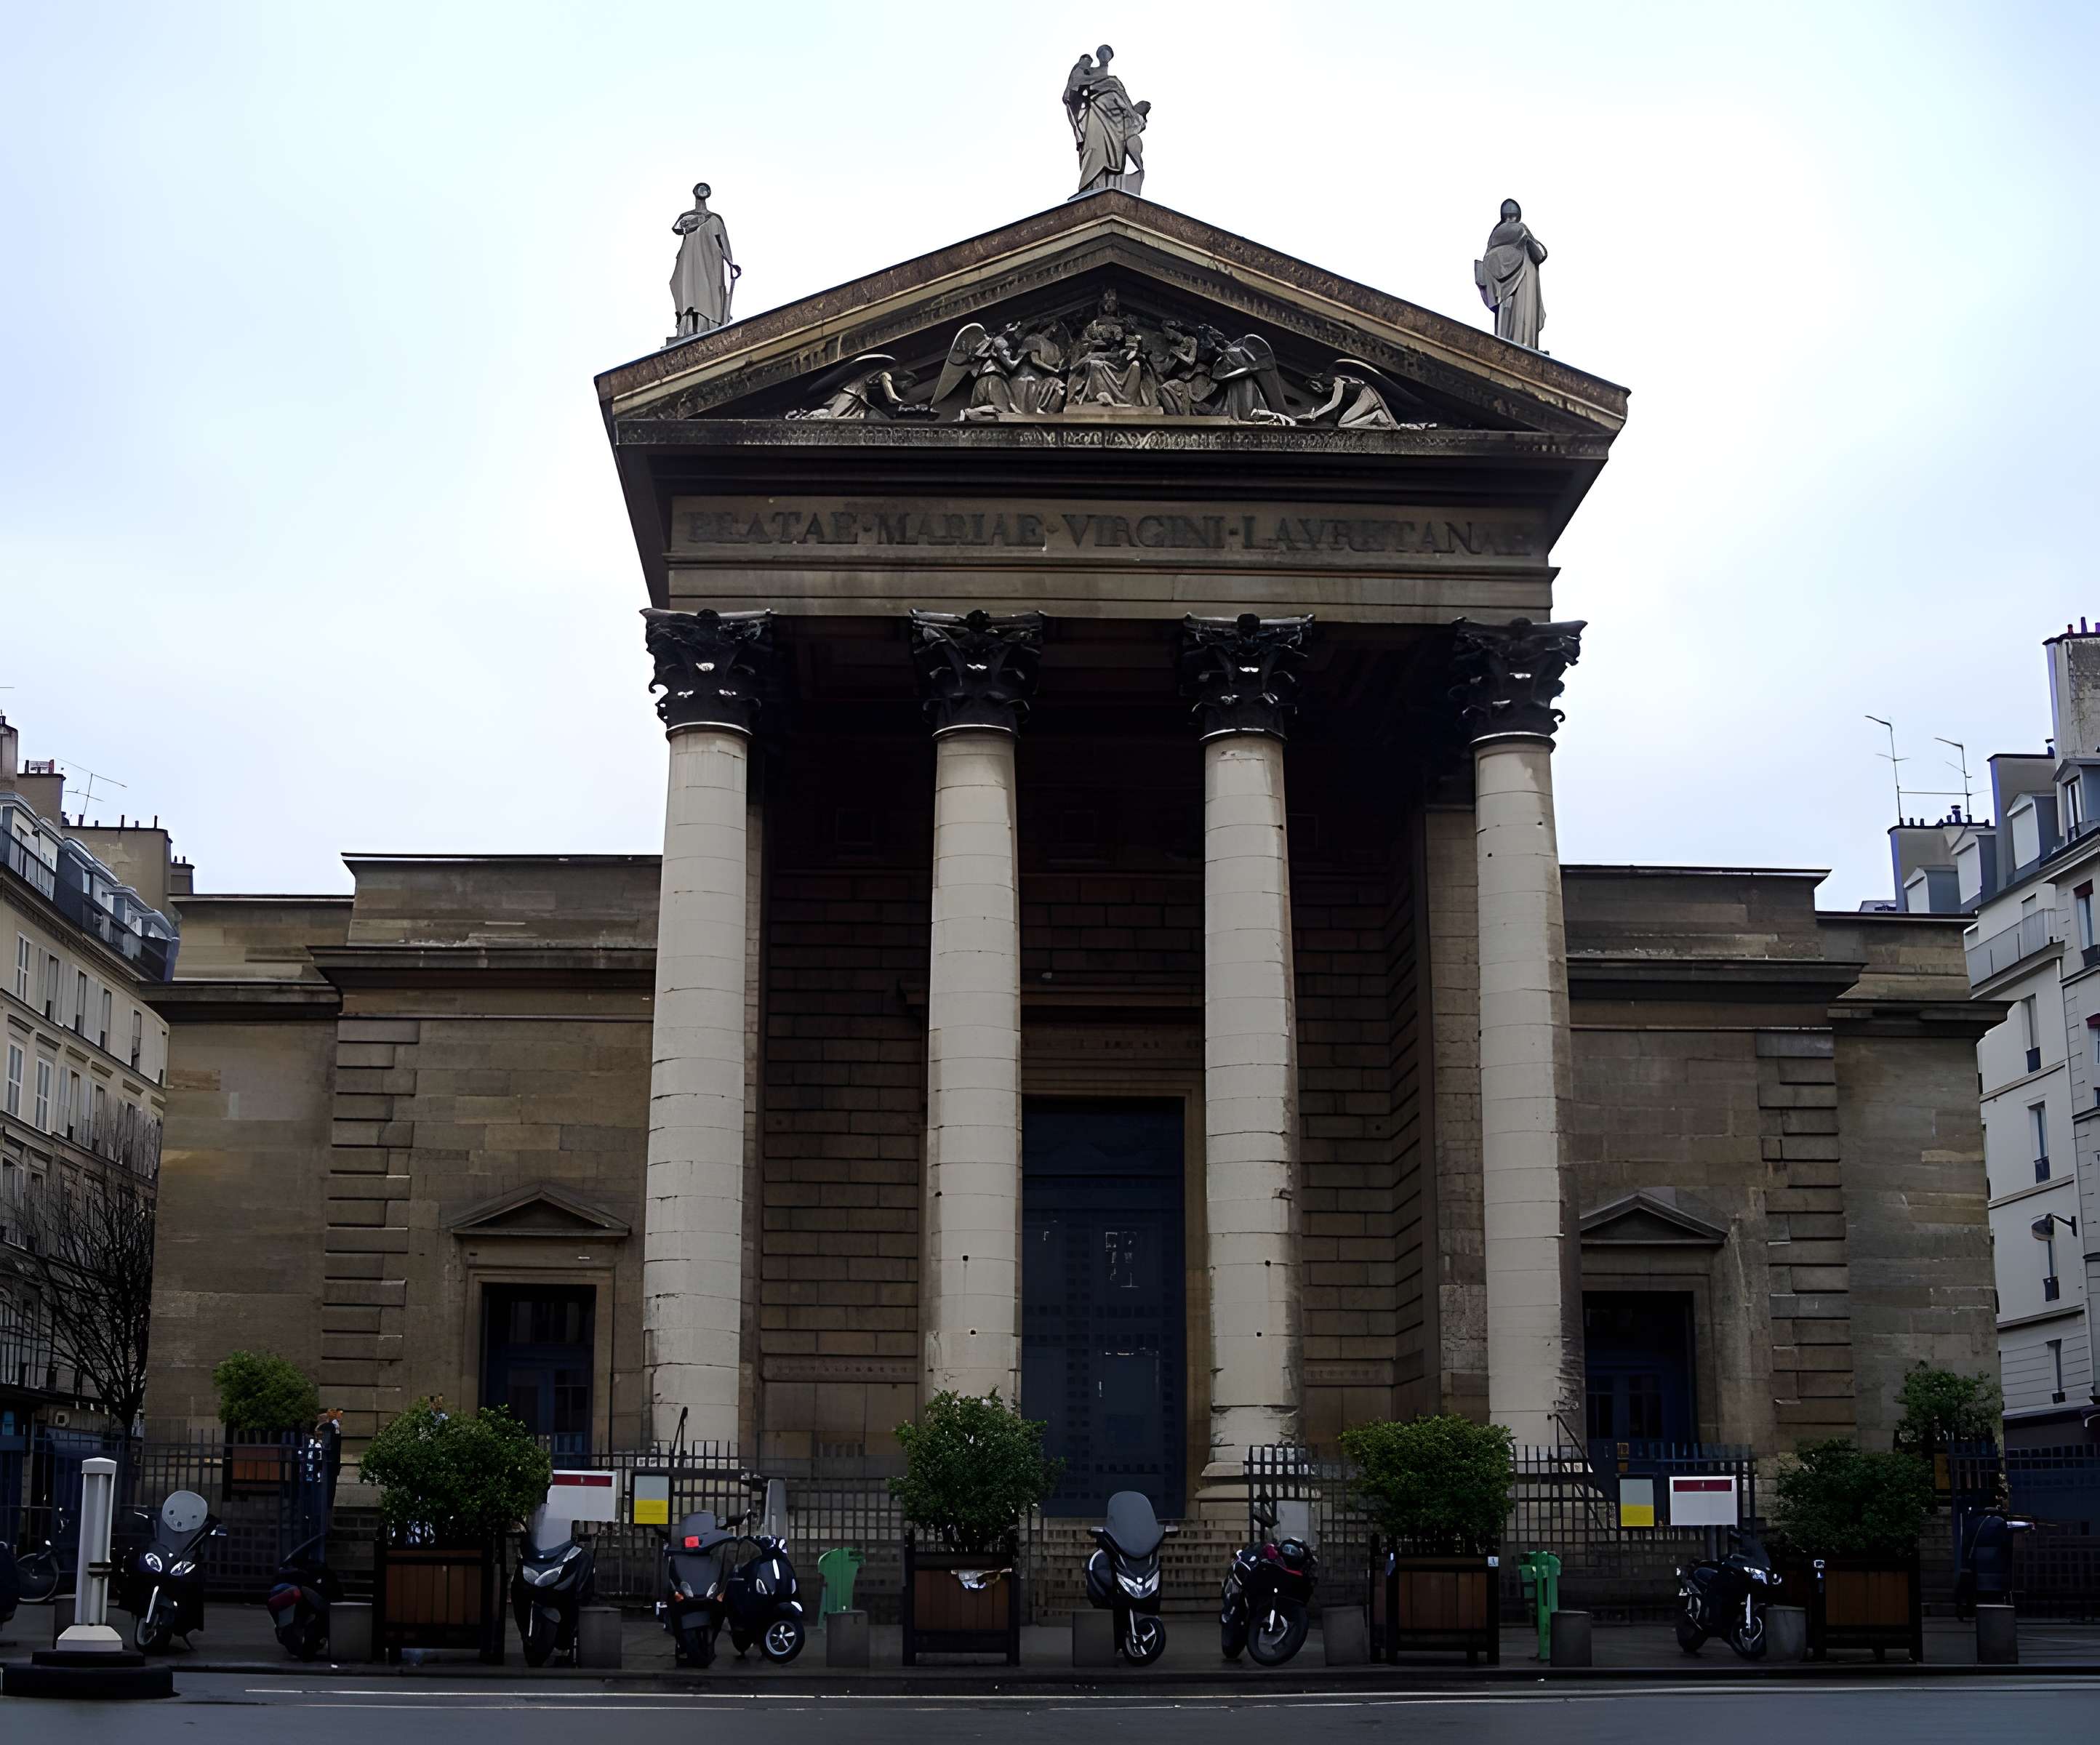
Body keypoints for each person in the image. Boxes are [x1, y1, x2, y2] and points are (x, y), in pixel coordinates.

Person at [1065, 46, 1150, 196]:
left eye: (1108, 54)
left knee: (1113, 150)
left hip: (1114, 120)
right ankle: (1090, 183)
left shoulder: (1114, 81)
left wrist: (1137, 116)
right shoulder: (1089, 71)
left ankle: (1108, 181)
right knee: (1094, 146)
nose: (1105, 56)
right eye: (1103, 53)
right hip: (1095, 112)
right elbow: (1074, 85)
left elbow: (1126, 105)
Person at [1474, 199, 1547, 349]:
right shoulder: (1521, 230)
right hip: (1523, 284)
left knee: (1506, 316)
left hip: (1502, 291)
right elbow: (1540, 254)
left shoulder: (1494, 238)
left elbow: (1487, 268)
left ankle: (1506, 343)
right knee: (1522, 313)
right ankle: (1525, 345)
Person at [670, 183, 739, 337]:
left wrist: (731, 263)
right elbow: (676, 229)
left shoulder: (715, 219)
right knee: (688, 290)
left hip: (710, 263)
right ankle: (688, 326)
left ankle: (708, 324)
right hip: (689, 262)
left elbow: (724, 243)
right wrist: (688, 224)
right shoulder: (687, 217)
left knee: (708, 292)